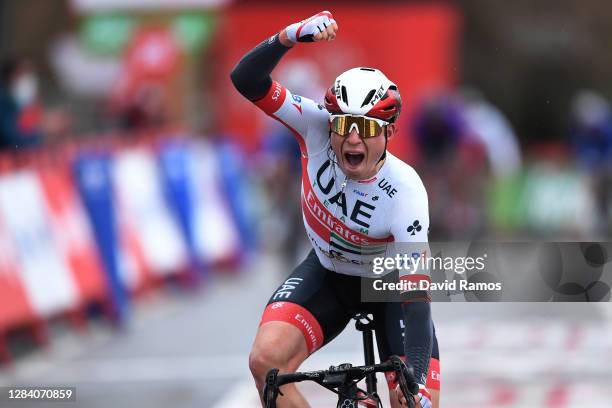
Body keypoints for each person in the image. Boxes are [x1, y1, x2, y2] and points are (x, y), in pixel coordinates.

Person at [231, 11, 439, 408]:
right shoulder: (314, 125)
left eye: (366, 128)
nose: (352, 139)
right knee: (265, 362)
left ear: (389, 132)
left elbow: (416, 299)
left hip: (388, 285)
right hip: (326, 273)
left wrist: (416, 382)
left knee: (411, 401)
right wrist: (288, 36)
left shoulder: (407, 192)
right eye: (343, 125)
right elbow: (246, 81)